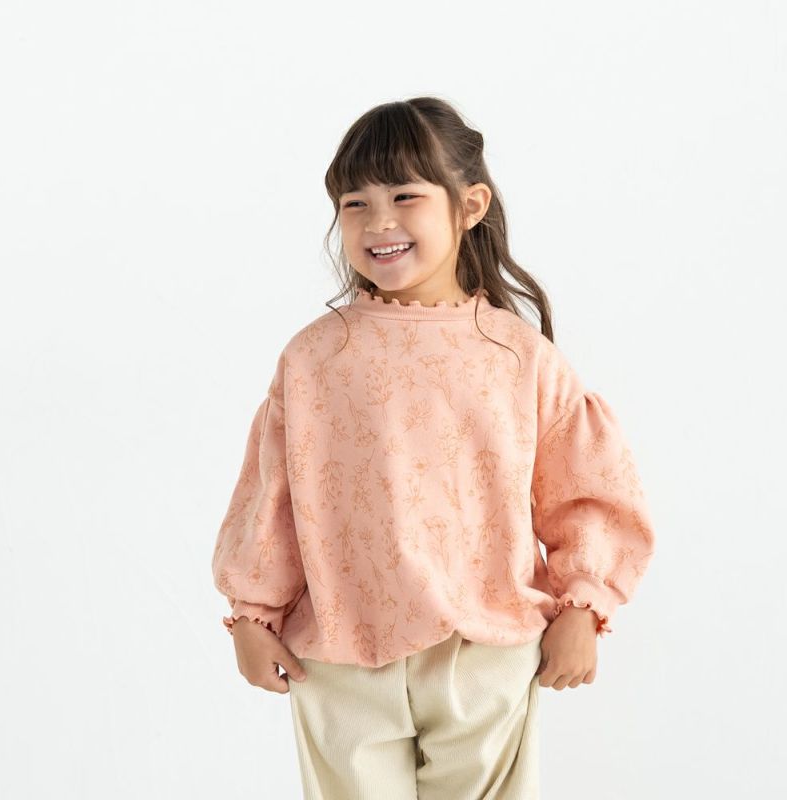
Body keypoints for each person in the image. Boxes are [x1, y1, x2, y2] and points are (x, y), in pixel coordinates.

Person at [211, 96, 656, 799]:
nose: (378, 221)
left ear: (469, 204)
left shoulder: (518, 356)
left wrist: (583, 605)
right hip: (342, 653)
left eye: (404, 196)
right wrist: (252, 614)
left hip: (486, 653)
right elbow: (272, 497)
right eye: (354, 203)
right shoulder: (314, 359)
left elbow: (588, 489)